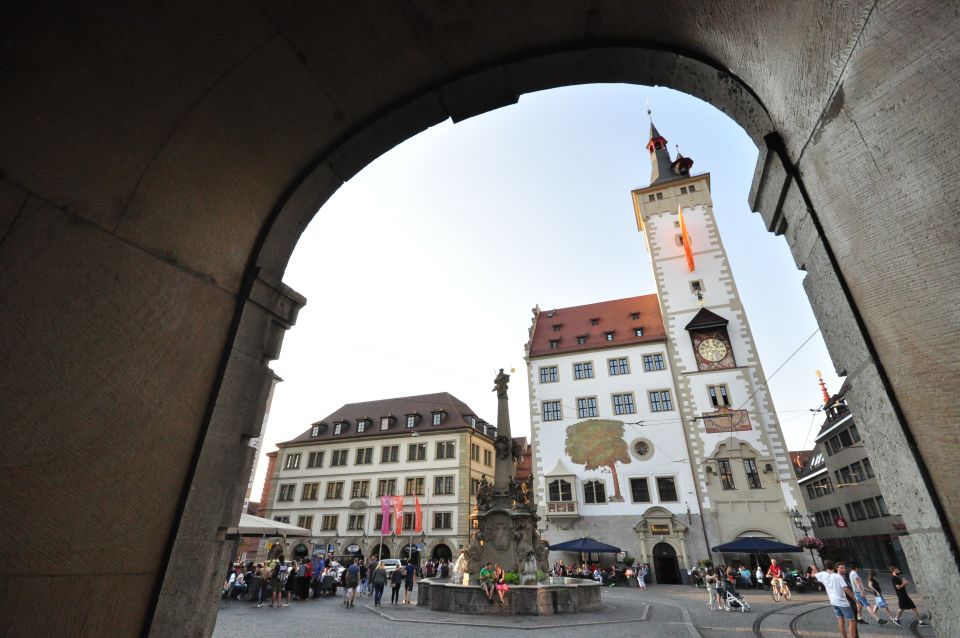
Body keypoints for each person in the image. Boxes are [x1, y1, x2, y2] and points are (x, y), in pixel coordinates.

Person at [815, 560, 857, 638]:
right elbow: (846, 588)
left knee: (840, 620)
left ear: (825, 567)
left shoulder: (822, 574)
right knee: (852, 621)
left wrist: (814, 568)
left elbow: (814, 574)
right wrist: (855, 599)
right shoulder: (837, 576)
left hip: (833, 602)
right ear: (834, 567)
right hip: (842, 602)